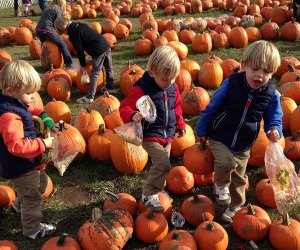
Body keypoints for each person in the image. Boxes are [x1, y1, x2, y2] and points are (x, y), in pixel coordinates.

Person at [196, 40, 283, 223]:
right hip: (219, 134)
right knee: (226, 163)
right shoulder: (231, 83)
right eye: (255, 69)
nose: (259, 75)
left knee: (240, 177)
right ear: (244, 65)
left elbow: (274, 116)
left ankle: (236, 206)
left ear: (273, 73)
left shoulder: (271, 94)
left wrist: (274, 129)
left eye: (266, 72)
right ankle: (220, 185)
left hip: (244, 141)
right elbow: (212, 106)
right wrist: (202, 129)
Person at [119, 46, 186, 212]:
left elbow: (176, 107)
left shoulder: (172, 86)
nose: (169, 82)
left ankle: (159, 189)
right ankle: (148, 194)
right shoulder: (142, 88)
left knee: (163, 165)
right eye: (165, 79)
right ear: (152, 72)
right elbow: (124, 106)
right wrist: (132, 114)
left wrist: (180, 124)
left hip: (168, 134)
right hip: (150, 135)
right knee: (163, 164)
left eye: (173, 78)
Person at [0, 60, 56, 239]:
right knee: (33, 197)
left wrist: (45, 116)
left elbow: (34, 108)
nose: (33, 96)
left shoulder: (14, 102)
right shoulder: (10, 116)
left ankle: (17, 206)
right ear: (10, 91)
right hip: (20, 166)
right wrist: (43, 144)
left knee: (40, 184)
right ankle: (32, 230)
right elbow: (16, 146)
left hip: (26, 163)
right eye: (29, 93)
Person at [54, 13, 115, 104]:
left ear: (63, 29)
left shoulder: (73, 33)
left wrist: (82, 65)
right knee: (109, 67)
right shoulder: (79, 24)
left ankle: (90, 96)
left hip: (98, 50)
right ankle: (110, 87)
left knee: (95, 73)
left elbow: (79, 50)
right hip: (105, 44)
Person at [35, 0, 73, 69]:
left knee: (45, 47)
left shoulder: (48, 8)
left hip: (39, 29)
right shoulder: (57, 9)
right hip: (47, 29)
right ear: (62, 4)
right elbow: (58, 23)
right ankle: (69, 64)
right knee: (62, 44)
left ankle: (46, 64)